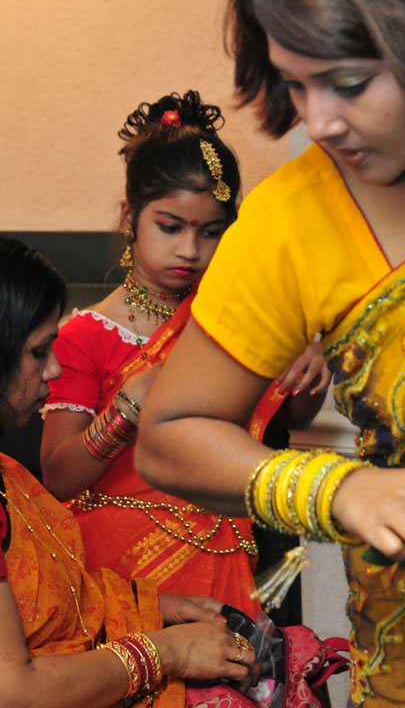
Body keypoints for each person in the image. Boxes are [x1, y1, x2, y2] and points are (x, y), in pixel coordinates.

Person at [135, 0, 405, 706]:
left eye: (347, 83)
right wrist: (334, 488)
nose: (317, 122)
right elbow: (171, 437)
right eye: (294, 83)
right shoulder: (296, 218)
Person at [41, 90, 329, 616]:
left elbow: (289, 417)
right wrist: (127, 409)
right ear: (130, 217)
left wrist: (309, 372)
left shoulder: (237, 322)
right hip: (122, 584)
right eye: (169, 227)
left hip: (228, 561)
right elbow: (57, 477)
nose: (190, 250)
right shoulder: (86, 334)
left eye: (211, 233)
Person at [0, 236, 259, 708]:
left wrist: (152, 608)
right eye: (38, 352)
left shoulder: (9, 475)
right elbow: (14, 691)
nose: (53, 370)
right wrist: (166, 651)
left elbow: (54, 596)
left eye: (210, 231)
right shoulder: (95, 335)